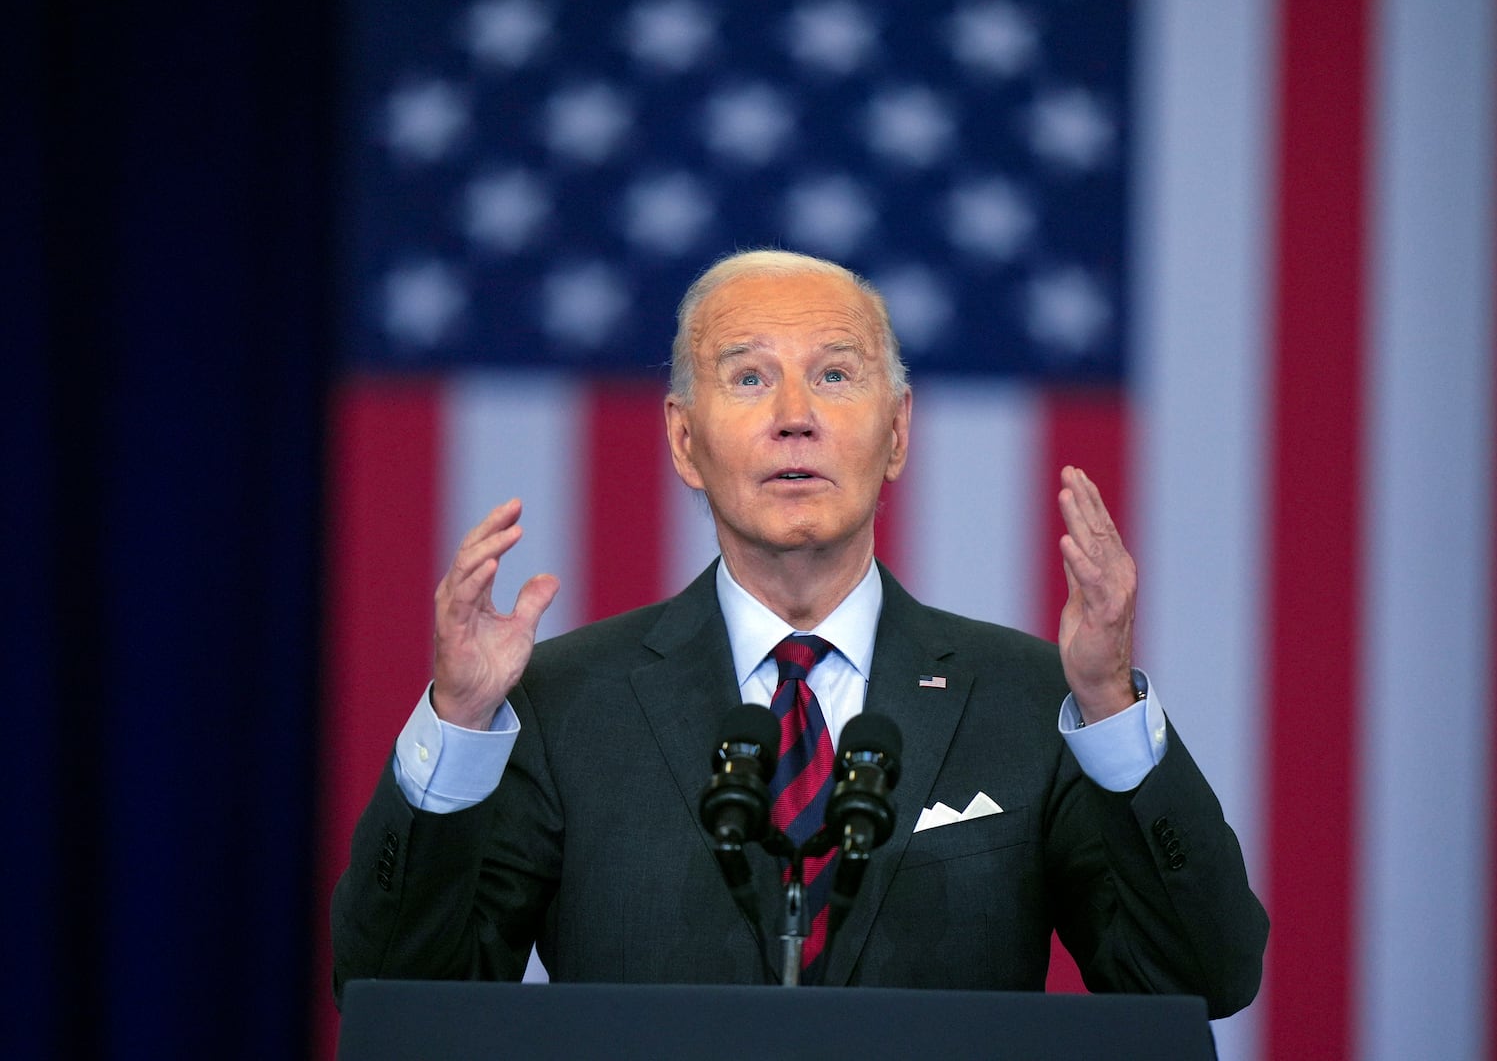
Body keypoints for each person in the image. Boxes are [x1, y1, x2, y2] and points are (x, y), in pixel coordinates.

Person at [332, 250, 1267, 1016]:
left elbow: (1199, 980)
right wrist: (456, 723)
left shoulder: (1028, 700)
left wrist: (1108, 708)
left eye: (833, 374)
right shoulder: (561, 700)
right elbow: (400, 993)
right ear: (685, 442)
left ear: (897, 434)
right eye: (748, 377)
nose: (794, 419)